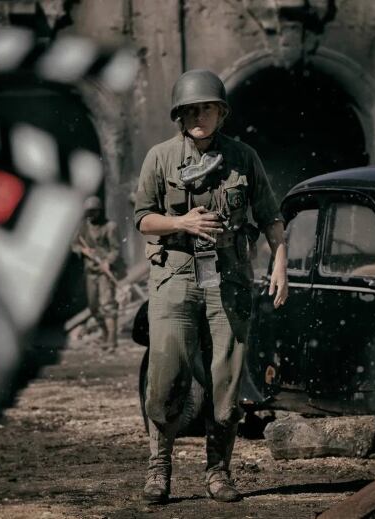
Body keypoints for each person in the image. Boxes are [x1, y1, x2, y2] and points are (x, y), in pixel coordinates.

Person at [133, 69, 288, 504]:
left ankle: (219, 472)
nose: (200, 115)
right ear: (180, 115)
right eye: (191, 109)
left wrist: (280, 263)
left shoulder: (244, 158)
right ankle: (158, 469)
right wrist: (181, 221)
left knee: (227, 381)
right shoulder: (160, 158)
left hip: (229, 277)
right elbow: (143, 217)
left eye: (208, 107)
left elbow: (270, 215)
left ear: (222, 112)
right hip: (175, 277)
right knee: (166, 379)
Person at [72, 195, 122, 350]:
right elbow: (74, 245)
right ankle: (105, 334)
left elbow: (116, 250)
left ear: (100, 211)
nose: (91, 215)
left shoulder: (110, 227)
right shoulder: (83, 227)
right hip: (91, 271)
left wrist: (108, 261)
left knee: (108, 305)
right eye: (88, 212)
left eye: (93, 212)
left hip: (104, 272)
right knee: (94, 307)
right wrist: (83, 250)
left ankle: (112, 342)